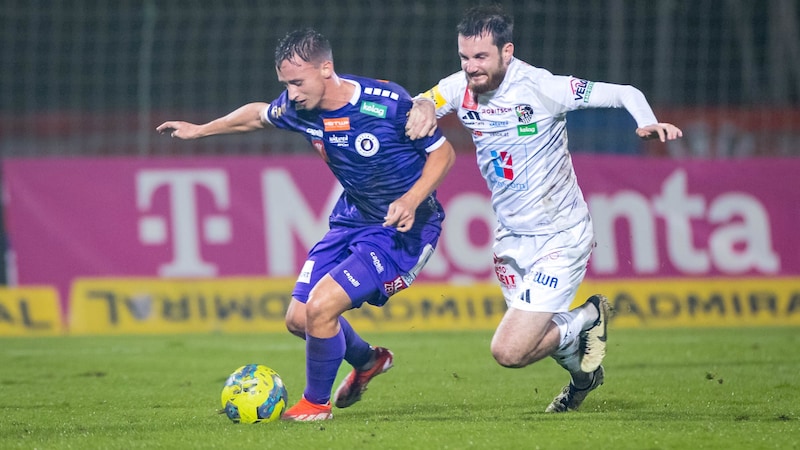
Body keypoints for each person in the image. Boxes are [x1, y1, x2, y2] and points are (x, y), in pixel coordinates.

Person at [157, 28, 456, 421]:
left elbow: (444, 154)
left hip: (404, 230)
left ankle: (315, 405)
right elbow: (257, 116)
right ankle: (368, 361)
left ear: (326, 69)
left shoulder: (388, 104)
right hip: (352, 219)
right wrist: (200, 129)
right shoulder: (299, 108)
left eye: (298, 82)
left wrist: (411, 200)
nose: (292, 93)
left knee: (321, 308)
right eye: (286, 84)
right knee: (300, 319)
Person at [405, 5, 682, 413]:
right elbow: (424, 101)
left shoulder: (542, 87)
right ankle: (583, 380)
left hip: (560, 234)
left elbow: (624, 91)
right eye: (464, 57)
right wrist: (422, 104)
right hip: (511, 237)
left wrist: (646, 121)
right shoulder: (457, 87)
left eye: (481, 57)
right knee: (540, 336)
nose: (471, 67)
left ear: (507, 52)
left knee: (510, 351)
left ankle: (589, 315)